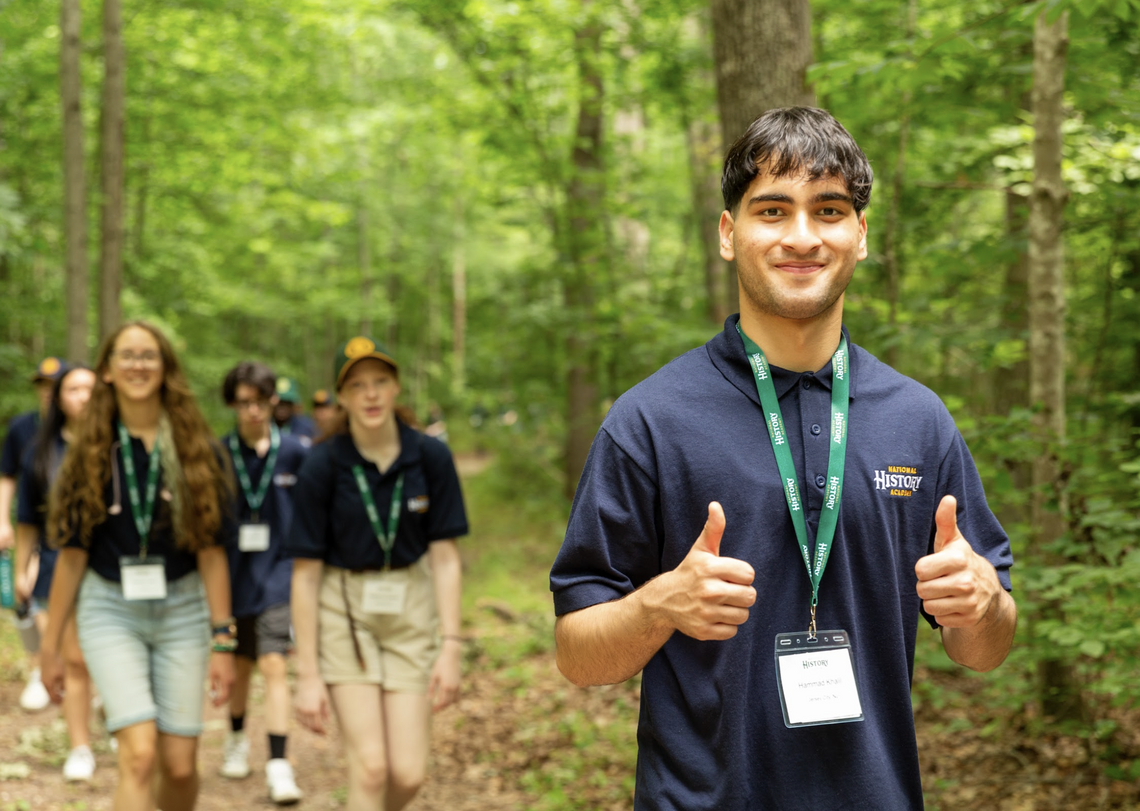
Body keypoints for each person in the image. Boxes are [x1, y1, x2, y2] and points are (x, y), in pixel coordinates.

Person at [550, 107, 1017, 810]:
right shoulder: (649, 420)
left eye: (828, 210)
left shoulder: (919, 420)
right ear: (729, 234)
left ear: (859, 235)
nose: (801, 236)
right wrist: (659, 605)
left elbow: (984, 646)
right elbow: (577, 655)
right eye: (773, 209)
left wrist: (981, 605)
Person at [39, 320, 236, 811]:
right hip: (111, 610)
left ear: (165, 366)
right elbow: (71, 556)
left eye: (148, 355)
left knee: (180, 766)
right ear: (107, 370)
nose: (138, 365)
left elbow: (213, 554)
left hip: (184, 609)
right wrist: (50, 646)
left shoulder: (199, 451)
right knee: (139, 756)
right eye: (126, 355)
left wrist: (223, 641)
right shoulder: (87, 452)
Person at [287, 336, 468, 811]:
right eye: (358, 385)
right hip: (344, 608)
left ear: (395, 388)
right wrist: (307, 675)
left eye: (380, 382)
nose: (370, 394)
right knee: (370, 768)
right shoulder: (322, 464)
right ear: (341, 397)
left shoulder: (430, 456)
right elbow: (304, 575)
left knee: (407, 774)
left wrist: (451, 646)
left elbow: (446, 558)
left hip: (411, 606)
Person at [218, 360, 307, 804]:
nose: (252, 411)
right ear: (233, 404)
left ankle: (278, 763)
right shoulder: (219, 454)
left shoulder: (295, 452)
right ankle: (235, 739)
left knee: (273, 662)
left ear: (274, 401)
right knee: (239, 667)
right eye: (243, 402)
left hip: (280, 574)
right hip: (231, 580)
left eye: (260, 401)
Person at [15, 362, 98, 781]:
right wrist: (20, 568)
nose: (82, 396)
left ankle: (121, 718)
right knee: (75, 661)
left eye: (90, 388)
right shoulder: (41, 452)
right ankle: (80, 746)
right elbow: (27, 519)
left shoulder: (116, 446)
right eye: (73, 389)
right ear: (59, 399)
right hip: (57, 566)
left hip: (111, 571)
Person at [1, 356, 66, 712]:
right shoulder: (22, 428)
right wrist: (2, 521)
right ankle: (38, 666)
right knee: (22, 593)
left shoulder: (76, 429)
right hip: (30, 524)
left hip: (67, 532)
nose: (48, 393)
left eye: (55, 387)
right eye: (43, 386)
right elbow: (7, 475)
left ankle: (61, 664)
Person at [273, 377, 316, 446]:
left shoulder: (306, 427)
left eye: (287, 403)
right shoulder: (263, 426)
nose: (282, 407)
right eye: (279, 403)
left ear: (293, 405)